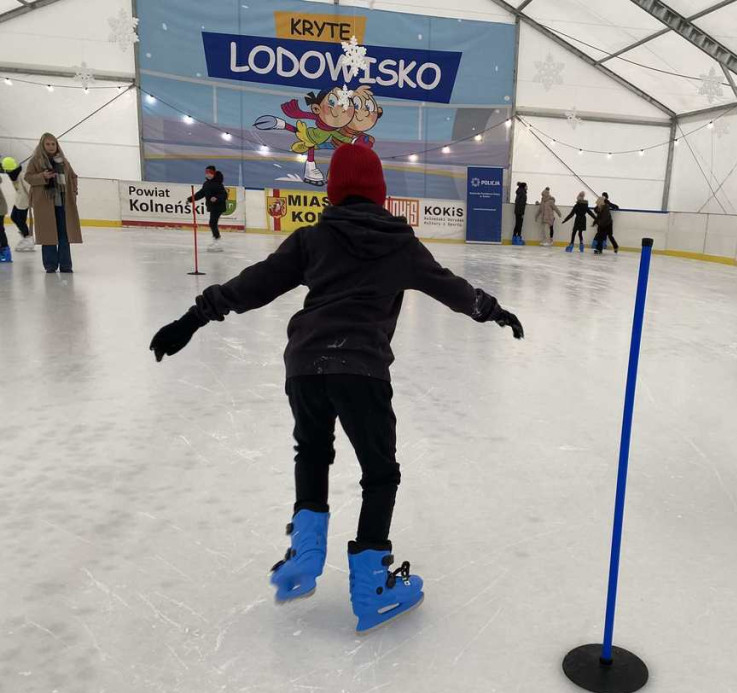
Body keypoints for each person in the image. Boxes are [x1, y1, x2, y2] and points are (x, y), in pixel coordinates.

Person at [149, 143, 525, 632]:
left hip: (305, 365)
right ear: (380, 191)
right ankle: (371, 587)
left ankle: (306, 556)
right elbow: (451, 288)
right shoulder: (399, 243)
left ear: (333, 190)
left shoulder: (313, 238)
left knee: (312, 452)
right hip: (362, 368)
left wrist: (192, 319)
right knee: (380, 472)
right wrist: (494, 311)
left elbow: (252, 285)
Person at [24, 133, 81, 274]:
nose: (51, 147)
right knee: (48, 235)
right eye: (48, 144)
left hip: (63, 203)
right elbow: (28, 177)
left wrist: (73, 192)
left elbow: (73, 176)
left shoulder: (63, 161)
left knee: (64, 234)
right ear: (42, 145)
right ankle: (50, 265)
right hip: (44, 203)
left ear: (57, 145)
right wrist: (42, 176)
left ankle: (66, 265)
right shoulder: (36, 161)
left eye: (53, 144)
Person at [187, 165, 228, 252]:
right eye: (207, 173)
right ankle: (216, 240)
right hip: (212, 207)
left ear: (214, 173)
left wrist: (217, 198)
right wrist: (190, 199)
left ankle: (217, 242)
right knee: (212, 223)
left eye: (210, 173)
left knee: (212, 223)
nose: (208, 174)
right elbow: (201, 194)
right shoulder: (206, 184)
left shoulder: (218, 184)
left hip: (218, 206)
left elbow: (224, 195)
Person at [4, 159, 33, 252]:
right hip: (18, 201)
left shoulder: (22, 175)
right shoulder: (14, 175)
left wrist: (33, 202)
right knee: (14, 217)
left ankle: (28, 239)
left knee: (20, 220)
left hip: (24, 203)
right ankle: (26, 236)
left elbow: (29, 189)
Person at [512, 181, 527, 246]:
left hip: (517, 211)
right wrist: (522, 212)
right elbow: (521, 204)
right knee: (519, 225)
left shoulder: (519, 192)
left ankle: (514, 238)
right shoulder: (523, 193)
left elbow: (519, 202)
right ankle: (518, 239)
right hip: (520, 211)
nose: (527, 187)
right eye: (526, 186)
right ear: (524, 186)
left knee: (517, 224)